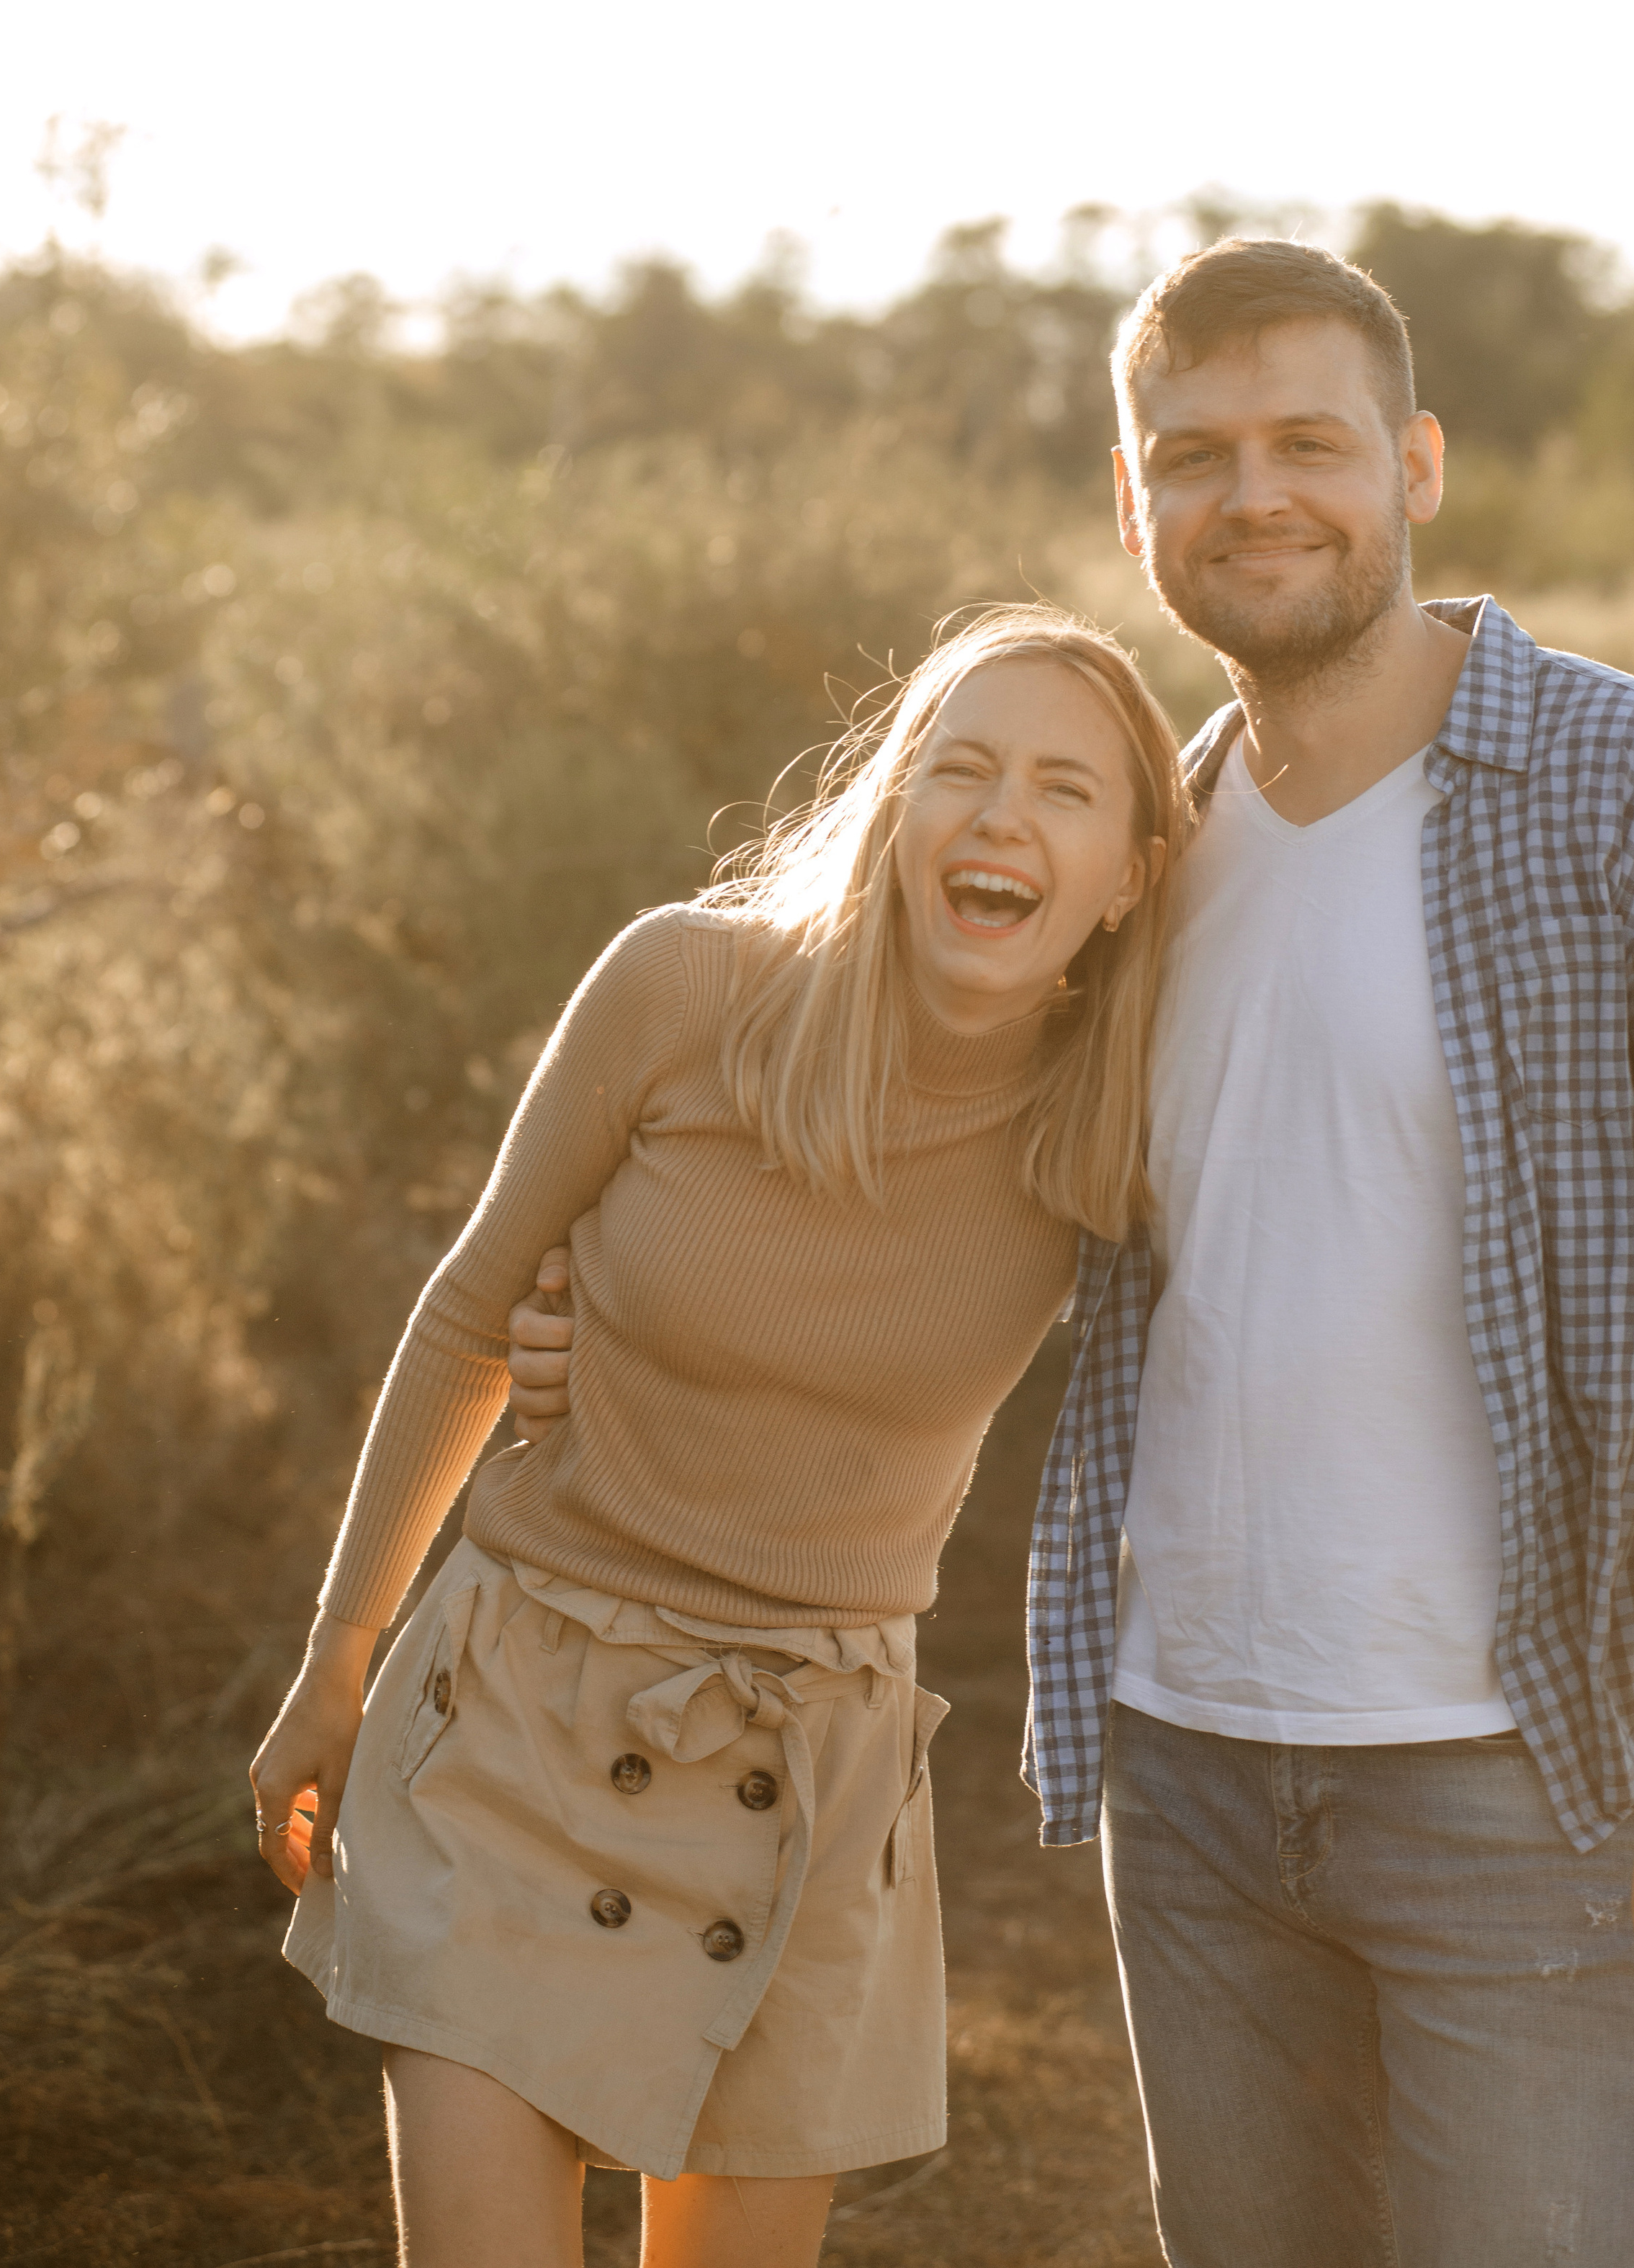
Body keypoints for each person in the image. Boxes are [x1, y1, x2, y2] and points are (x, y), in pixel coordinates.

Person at [513, 237, 1634, 2268]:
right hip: (1190, 1771)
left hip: (1526, 1778)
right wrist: (626, 1310)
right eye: (1193, 453)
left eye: (1311, 439)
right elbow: (919, 1185)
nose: (1256, 493)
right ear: (1135, 506)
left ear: (1420, 464)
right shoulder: (1134, 862)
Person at [250, 604, 1185, 2268]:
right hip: (517, 1718)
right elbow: (474, 1311)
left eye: (1062, 790)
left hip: (808, 1770)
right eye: (957, 770)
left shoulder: (1110, 1130)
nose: (998, 818)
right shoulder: (690, 983)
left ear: (1124, 874)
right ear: (893, 814)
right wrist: (338, 1656)